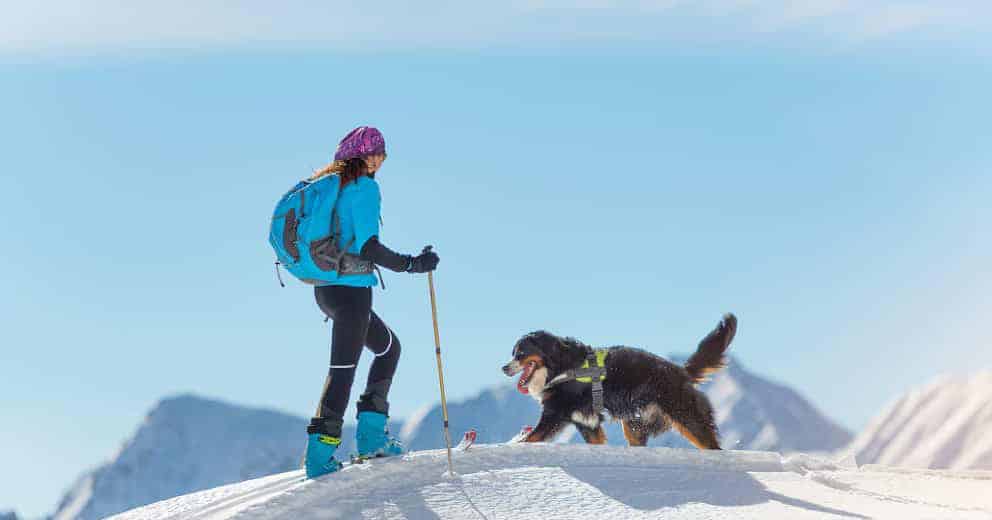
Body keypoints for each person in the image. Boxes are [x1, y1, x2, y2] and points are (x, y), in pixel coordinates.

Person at [304, 126, 440, 478]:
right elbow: (369, 246)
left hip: (327, 290)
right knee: (343, 371)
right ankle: (321, 458)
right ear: (358, 157)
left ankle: (370, 438)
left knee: (388, 349)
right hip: (350, 293)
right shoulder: (364, 188)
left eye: (382, 153)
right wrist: (413, 264)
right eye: (373, 153)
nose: (379, 160)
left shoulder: (334, 189)